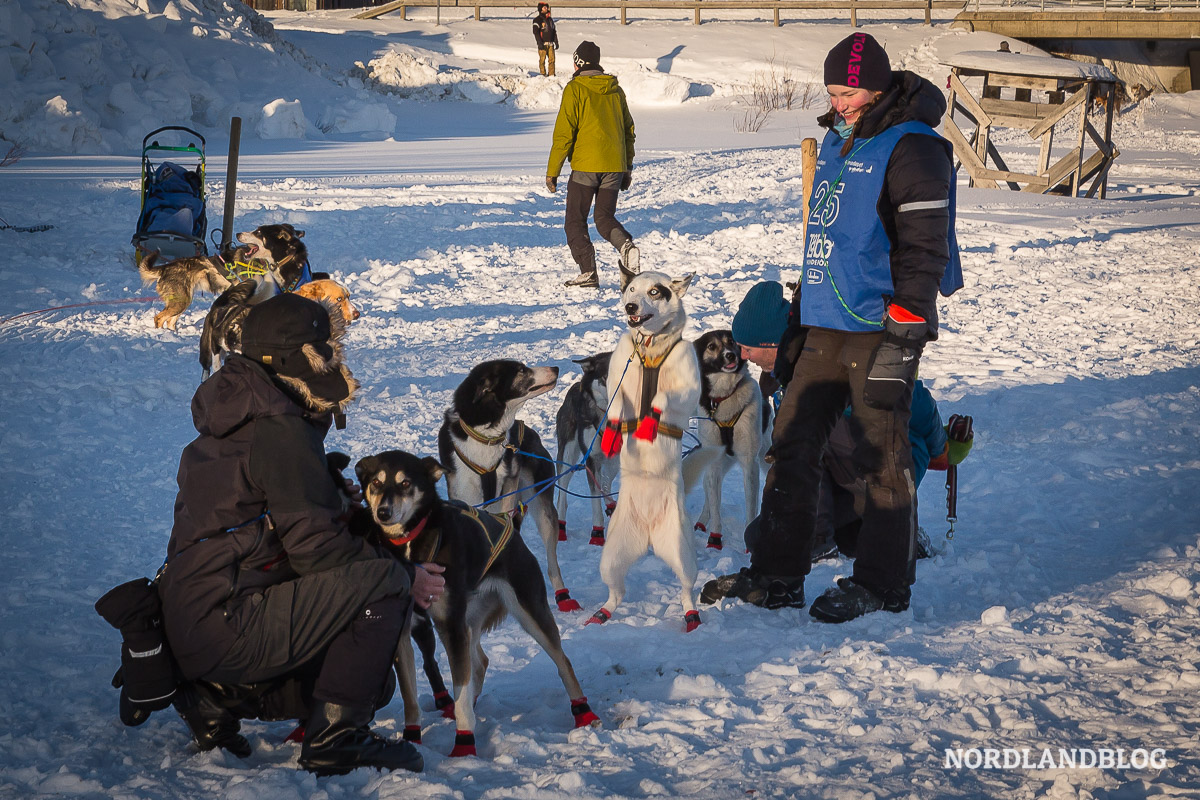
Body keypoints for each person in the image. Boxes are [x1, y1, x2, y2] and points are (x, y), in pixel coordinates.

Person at [704, 32, 961, 623]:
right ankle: (778, 575)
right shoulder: (840, 140)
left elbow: (925, 251)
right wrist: (799, 322)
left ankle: (882, 582)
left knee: (882, 456)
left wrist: (906, 332)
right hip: (824, 325)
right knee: (791, 447)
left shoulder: (914, 145)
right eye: (832, 92)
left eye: (849, 91)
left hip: (879, 326)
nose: (839, 102)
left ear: (878, 86)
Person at [157, 293, 446, 775]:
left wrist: (326, 490)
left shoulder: (237, 411)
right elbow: (318, 552)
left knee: (366, 667)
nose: (336, 359)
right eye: (327, 349)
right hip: (229, 622)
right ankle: (337, 738)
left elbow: (250, 517)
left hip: (194, 622)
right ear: (300, 361)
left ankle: (212, 699)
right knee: (385, 582)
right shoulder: (279, 430)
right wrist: (404, 573)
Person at [546, 40, 640, 290]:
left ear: (577, 62)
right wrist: (626, 168)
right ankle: (627, 248)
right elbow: (628, 131)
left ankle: (588, 272)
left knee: (575, 220)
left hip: (586, 166)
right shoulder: (615, 90)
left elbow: (564, 134)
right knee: (604, 217)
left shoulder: (575, 89)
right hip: (614, 166)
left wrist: (552, 171)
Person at [532, 3, 559, 77]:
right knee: (542, 60)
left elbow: (554, 31)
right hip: (542, 44)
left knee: (552, 60)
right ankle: (543, 74)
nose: (546, 9)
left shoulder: (550, 20)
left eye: (546, 7)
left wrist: (556, 41)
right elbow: (535, 32)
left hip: (550, 44)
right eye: (544, 7)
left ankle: (551, 75)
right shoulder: (537, 20)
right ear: (540, 9)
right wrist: (539, 42)